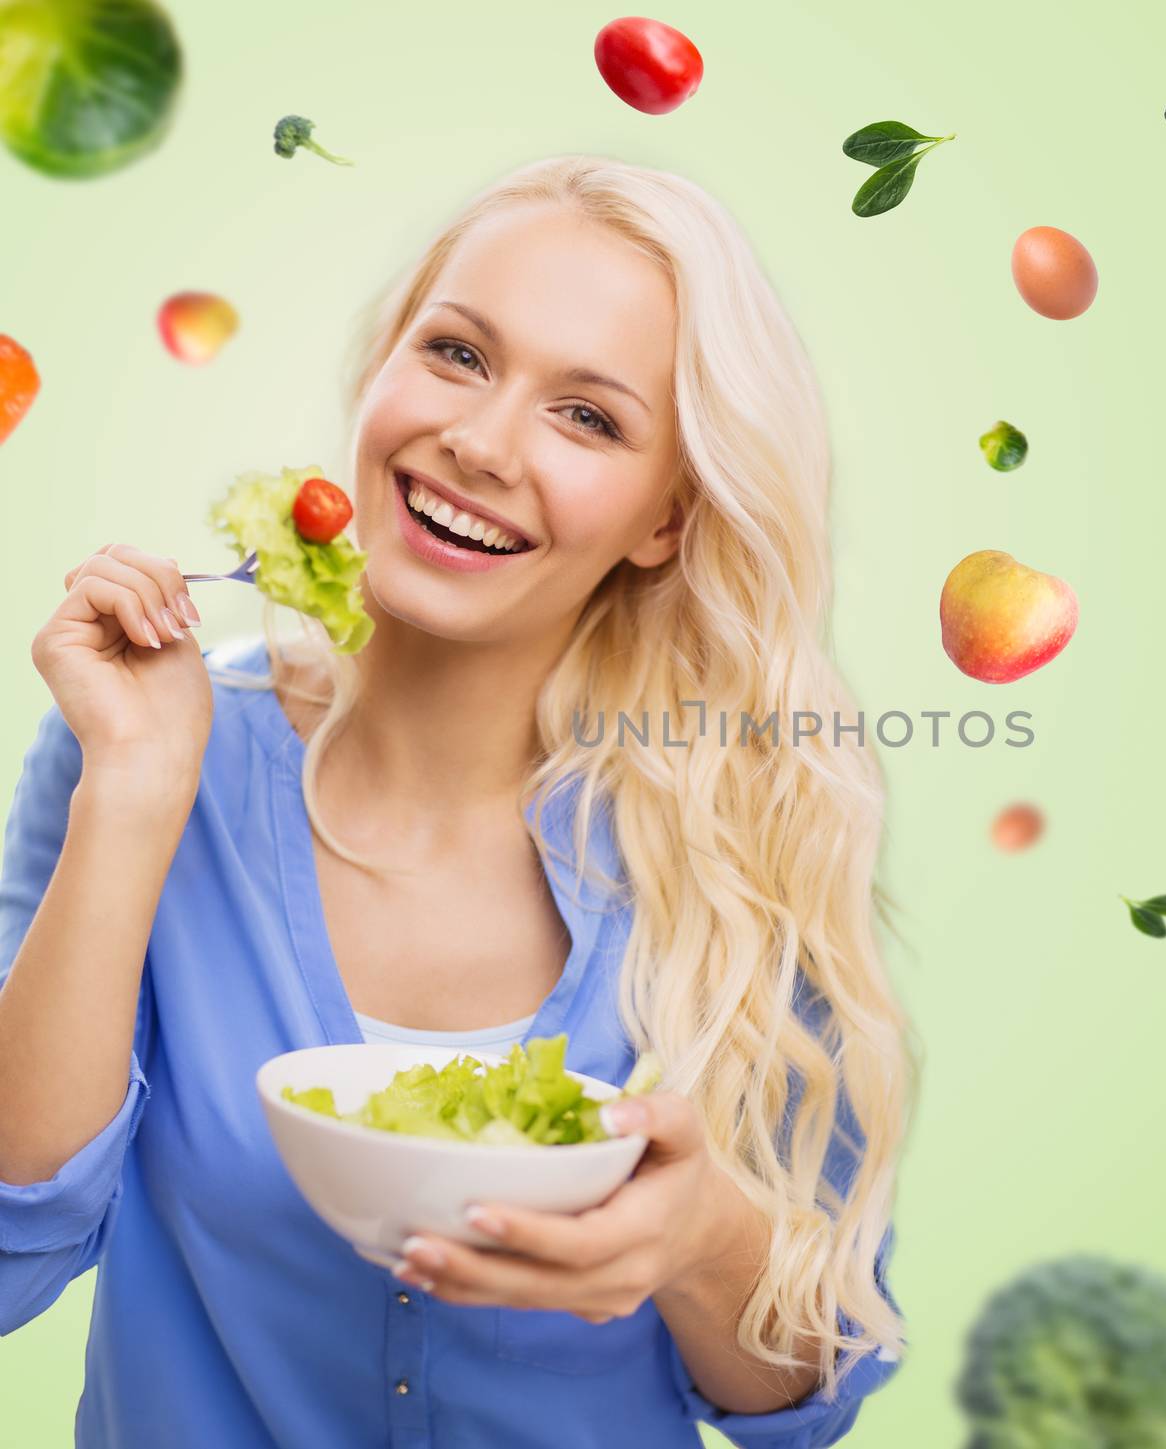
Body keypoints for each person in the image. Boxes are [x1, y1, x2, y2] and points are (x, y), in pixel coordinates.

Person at [0, 154, 917, 1448]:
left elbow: (806, 1395)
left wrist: (700, 1233)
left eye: (588, 418)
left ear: (664, 519)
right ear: (381, 369)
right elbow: (9, 1250)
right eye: (456, 354)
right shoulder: (141, 747)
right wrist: (136, 794)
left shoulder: (742, 820)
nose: (480, 444)